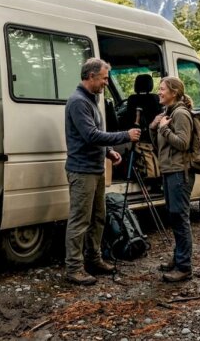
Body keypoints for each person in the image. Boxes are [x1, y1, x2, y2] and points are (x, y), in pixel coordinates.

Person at [64, 58, 141, 286]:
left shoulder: (91, 99)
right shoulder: (78, 102)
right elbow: (90, 135)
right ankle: (74, 268)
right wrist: (125, 136)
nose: (106, 83)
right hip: (82, 171)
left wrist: (108, 152)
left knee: (98, 217)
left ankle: (93, 259)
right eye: (104, 78)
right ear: (90, 76)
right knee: (80, 220)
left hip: (95, 169)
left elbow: (95, 133)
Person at [149, 76, 194, 282]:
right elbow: (160, 147)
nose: (159, 92)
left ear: (174, 93)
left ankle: (184, 267)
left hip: (179, 172)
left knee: (180, 218)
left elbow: (183, 143)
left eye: (162, 89)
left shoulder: (181, 114)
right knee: (174, 217)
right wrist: (153, 128)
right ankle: (178, 259)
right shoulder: (167, 114)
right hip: (169, 171)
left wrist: (164, 129)